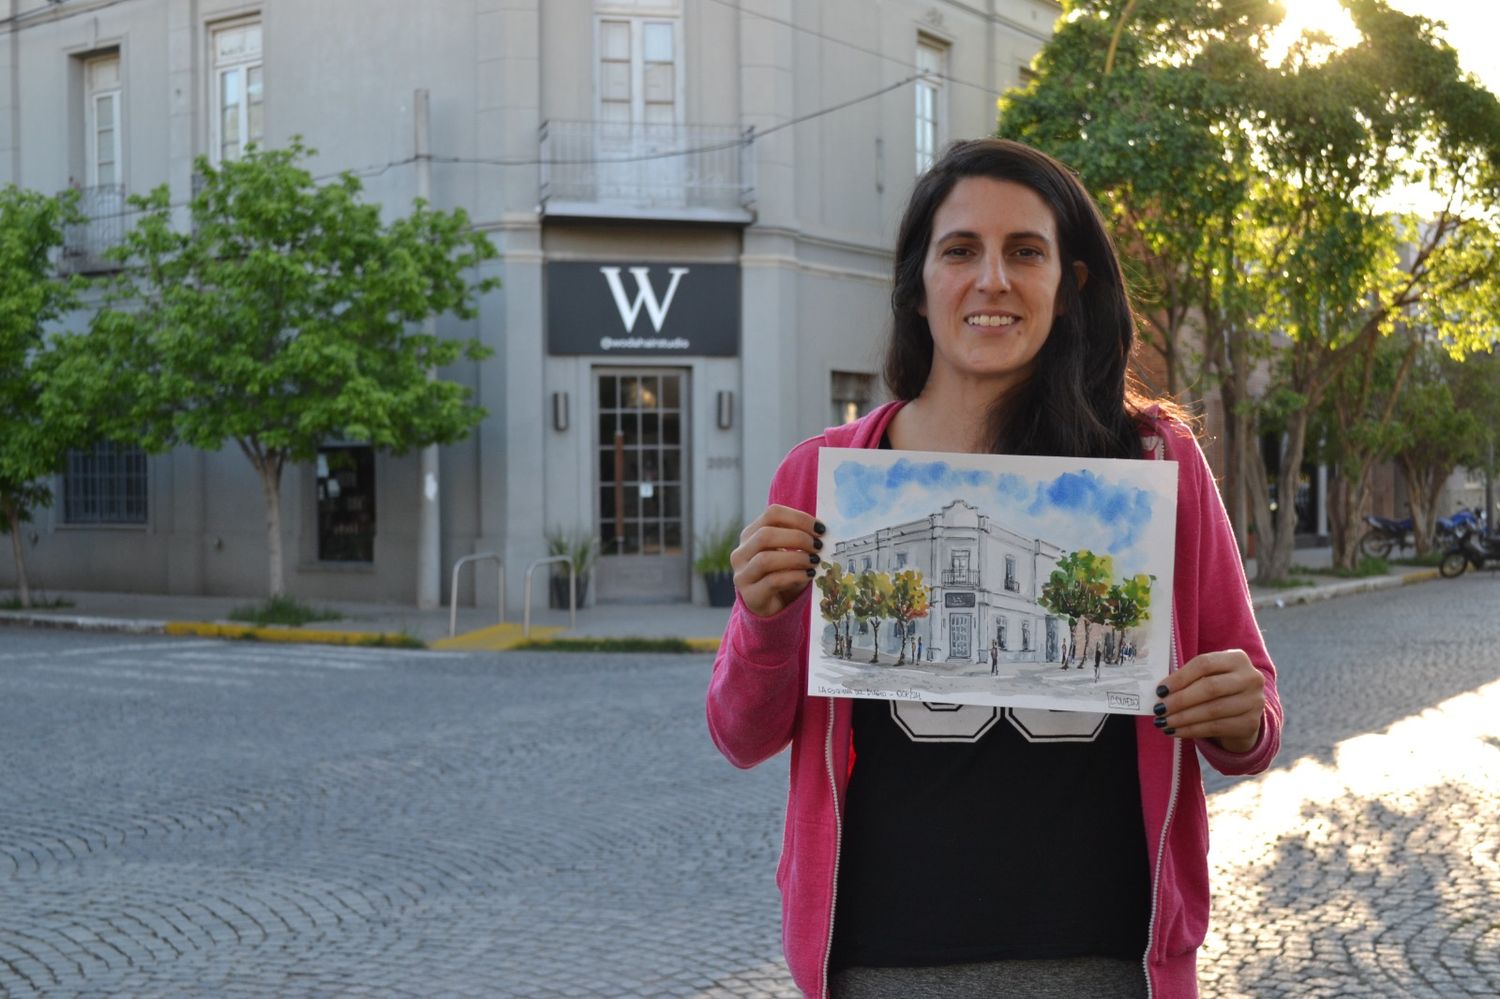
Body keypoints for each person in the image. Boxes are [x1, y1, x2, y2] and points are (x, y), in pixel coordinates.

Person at [705, 138, 1282, 999]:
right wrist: (765, 617)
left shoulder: (1156, 464)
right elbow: (741, 734)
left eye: (1026, 251)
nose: (993, 280)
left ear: (1069, 281)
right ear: (918, 281)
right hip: (880, 966)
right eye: (960, 250)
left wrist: (1240, 714)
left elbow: (1255, 717)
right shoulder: (823, 476)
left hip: (1104, 965)